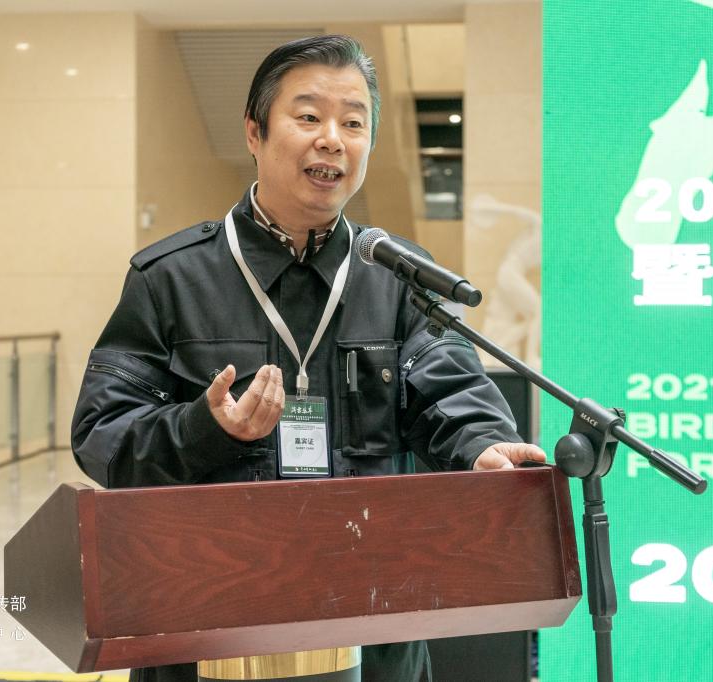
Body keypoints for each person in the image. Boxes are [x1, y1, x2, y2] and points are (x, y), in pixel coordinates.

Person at [72, 34, 545, 682]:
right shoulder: (170, 279)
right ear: (254, 132)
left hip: (372, 624)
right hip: (209, 624)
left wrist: (482, 445)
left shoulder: (398, 277)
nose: (332, 140)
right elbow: (101, 435)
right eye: (309, 117)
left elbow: (451, 392)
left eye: (354, 123)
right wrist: (204, 428)